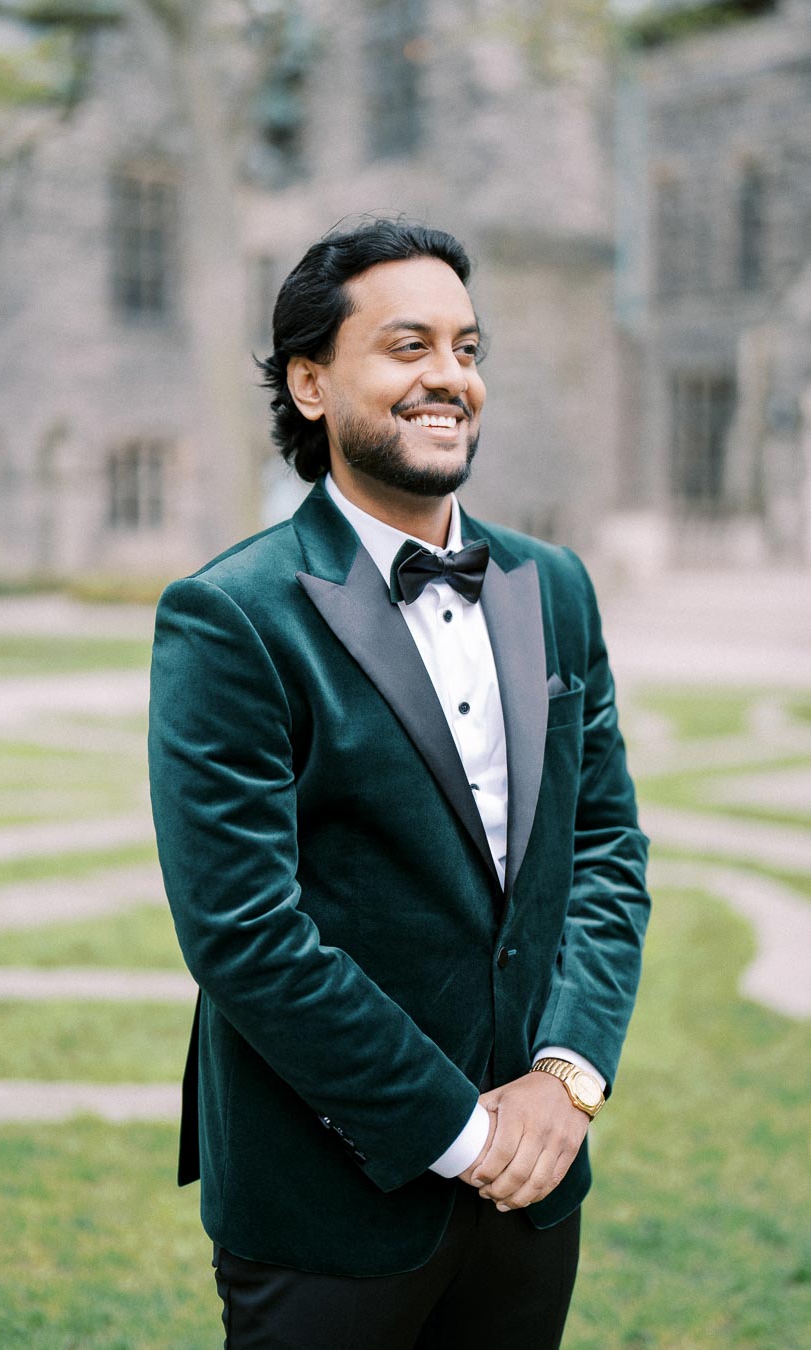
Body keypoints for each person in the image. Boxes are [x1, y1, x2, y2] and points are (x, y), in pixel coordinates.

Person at [148, 218, 650, 1349]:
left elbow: (607, 847)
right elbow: (242, 930)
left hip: (538, 1186)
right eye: (408, 345)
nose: (449, 379)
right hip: (327, 1198)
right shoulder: (229, 615)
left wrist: (564, 1080)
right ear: (312, 382)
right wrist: (466, 1138)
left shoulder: (553, 584)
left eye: (468, 349)